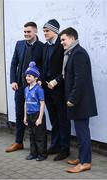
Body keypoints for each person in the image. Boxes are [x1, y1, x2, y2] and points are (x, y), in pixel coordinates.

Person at [60, 27, 98, 173]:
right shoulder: (73, 53)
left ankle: (85, 162)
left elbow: (80, 79)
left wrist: (72, 99)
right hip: (78, 102)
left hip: (80, 102)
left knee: (83, 133)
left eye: (63, 39)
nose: (62, 42)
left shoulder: (78, 53)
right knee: (80, 131)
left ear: (73, 38)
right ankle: (82, 157)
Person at [5, 22, 44, 152]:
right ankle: (18, 142)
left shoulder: (42, 47)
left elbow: (44, 67)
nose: (26, 34)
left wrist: (40, 80)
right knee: (19, 114)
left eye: (29, 32)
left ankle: (38, 146)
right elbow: (13, 64)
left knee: (35, 115)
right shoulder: (19, 44)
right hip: (20, 86)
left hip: (34, 89)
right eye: (25, 32)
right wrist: (13, 81)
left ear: (35, 32)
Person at [42, 19, 71, 161]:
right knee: (53, 119)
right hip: (47, 89)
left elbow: (66, 68)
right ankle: (55, 145)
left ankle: (65, 149)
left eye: (46, 31)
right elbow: (44, 66)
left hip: (59, 90)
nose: (44, 33)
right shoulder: (45, 47)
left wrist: (56, 81)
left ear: (54, 31)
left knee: (63, 119)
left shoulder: (62, 46)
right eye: (44, 31)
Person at [24, 61, 47, 161]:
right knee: (32, 135)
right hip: (29, 115)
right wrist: (25, 116)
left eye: (30, 76)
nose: (27, 78)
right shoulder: (26, 89)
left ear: (36, 77)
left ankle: (42, 154)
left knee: (40, 136)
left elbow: (42, 104)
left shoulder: (39, 89)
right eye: (27, 76)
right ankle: (33, 153)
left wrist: (40, 118)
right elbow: (25, 102)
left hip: (37, 114)